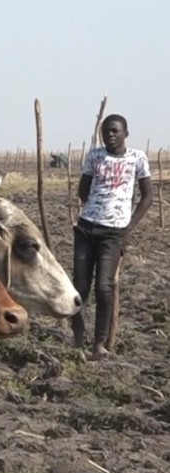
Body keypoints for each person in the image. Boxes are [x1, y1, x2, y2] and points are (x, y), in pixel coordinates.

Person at [70, 113, 153, 360]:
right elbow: (83, 189)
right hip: (87, 228)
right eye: (106, 131)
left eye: (115, 131)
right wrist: (95, 207)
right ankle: (77, 338)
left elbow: (147, 196)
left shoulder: (137, 158)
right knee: (80, 285)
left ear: (125, 133)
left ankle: (99, 344)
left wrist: (128, 227)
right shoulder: (95, 156)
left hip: (114, 233)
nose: (110, 135)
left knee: (104, 287)